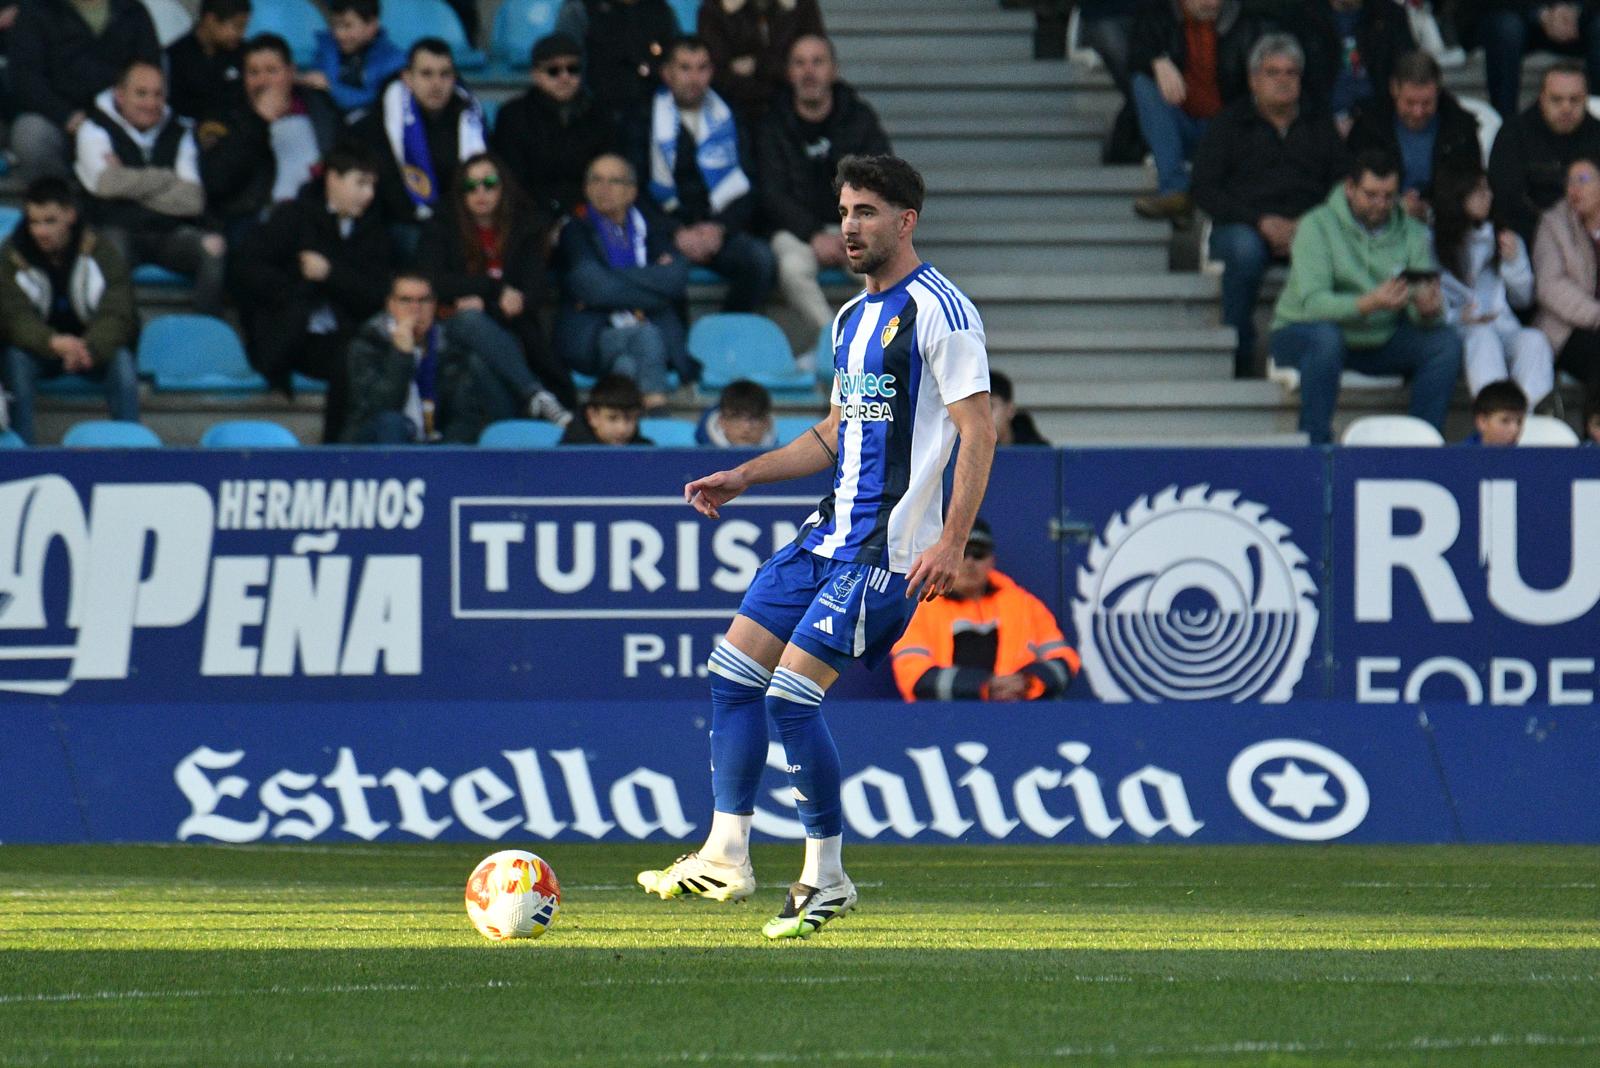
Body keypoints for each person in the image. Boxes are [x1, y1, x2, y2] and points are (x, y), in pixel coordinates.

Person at [635, 154, 996, 940]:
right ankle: (727, 854)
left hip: (885, 554)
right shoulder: (849, 318)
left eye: (866, 211)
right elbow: (836, 432)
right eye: (843, 212)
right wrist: (745, 474)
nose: (849, 227)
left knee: (790, 699)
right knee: (732, 675)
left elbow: (978, 429)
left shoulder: (942, 311)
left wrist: (951, 539)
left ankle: (826, 877)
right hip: (823, 537)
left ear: (906, 220)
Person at [1269, 149, 1463, 444]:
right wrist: (1369, 303)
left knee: (1444, 343)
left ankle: (1422, 445)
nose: (1380, 204)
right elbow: (1314, 304)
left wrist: (1427, 310)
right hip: (1300, 331)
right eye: (1371, 195)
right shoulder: (1316, 225)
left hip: (1378, 337)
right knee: (1326, 339)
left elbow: (1419, 299)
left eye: (1388, 196)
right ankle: (1316, 447)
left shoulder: (1413, 232)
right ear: (1350, 188)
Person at [1192, 33, 1349, 378]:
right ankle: (1239, 355)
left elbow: (1342, 185)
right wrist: (1260, 221)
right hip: (1244, 226)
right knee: (1245, 251)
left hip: (1309, 226)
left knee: (1335, 244)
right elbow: (1204, 188)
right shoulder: (1228, 123)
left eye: (1291, 73)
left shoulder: (1319, 122)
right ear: (1253, 80)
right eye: (1272, 72)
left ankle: (1312, 356)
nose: (1283, 80)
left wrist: (1306, 225)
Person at [229, 141, 392, 441]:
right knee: (351, 357)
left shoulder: (373, 230)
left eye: (372, 185)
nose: (368, 194)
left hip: (342, 335)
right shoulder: (292, 217)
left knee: (360, 355)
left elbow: (376, 293)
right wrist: (294, 290)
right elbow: (247, 269)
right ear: (333, 178)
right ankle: (335, 450)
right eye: (360, 183)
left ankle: (344, 445)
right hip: (289, 335)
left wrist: (331, 275)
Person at [416, 152, 576, 417]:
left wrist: (485, 305)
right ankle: (535, 394)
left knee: (480, 360)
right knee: (469, 319)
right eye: (471, 186)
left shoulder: (526, 226)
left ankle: (511, 426)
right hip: (449, 327)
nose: (480, 192)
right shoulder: (441, 225)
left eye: (489, 184)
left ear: (503, 187)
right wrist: (494, 289)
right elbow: (431, 281)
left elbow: (535, 291)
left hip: (510, 328)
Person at [756, 33, 890, 340]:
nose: (809, 72)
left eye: (817, 62)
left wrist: (851, 228)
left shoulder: (859, 118)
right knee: (791, 268)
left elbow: (883, 180)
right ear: (789, 73)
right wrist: (813, 234)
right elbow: (771, 194)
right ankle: (835, 341)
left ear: (833, 70)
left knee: (887, 269)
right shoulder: (772, 123)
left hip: (853, 225)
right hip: (797, 232)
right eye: (799, 63)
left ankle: (874, 343)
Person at [631, 34, 776, 312]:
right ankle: (678, 340)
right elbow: (632, 190)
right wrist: (675, 231)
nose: (694, 78)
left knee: (760, 260)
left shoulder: (730, 115)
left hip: (718, 227)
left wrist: (720, 228)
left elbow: (749, 184)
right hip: (665, 229)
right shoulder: (642, 118)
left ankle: (726, 333)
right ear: (667, 73)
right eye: (685, 68)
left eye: (702, 68)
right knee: (666, 272)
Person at [74, 60, 226, 315]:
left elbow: (192, 200)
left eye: (158, 94)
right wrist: (167, 178)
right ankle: (119, 333)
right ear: (120, 96)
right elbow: (105, 184)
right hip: (116, 228)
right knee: (111, 252)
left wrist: (127, 184)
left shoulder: (180, 131)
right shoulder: (93, 128)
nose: (151, 103)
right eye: (141, 94)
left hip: (169, 232)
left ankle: (203, 329)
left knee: (214, 247)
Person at [0, 178, 139, 445]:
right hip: (40, 351)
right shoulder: (11, 255)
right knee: (15, 360)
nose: (41, 231)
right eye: (34, 222)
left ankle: (131, 448)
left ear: (70, 215)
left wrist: (89, 348)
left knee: (122, 361)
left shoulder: (101, 251)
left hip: (92, 350)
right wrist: (53, 342)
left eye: (50, 221)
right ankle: (22, 452)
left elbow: (119, 312)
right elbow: (12, 318)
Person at [889, 519, 1079, 702]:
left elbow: (1064, 659)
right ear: (943, 558)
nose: (970, 562)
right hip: (943, 718)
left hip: (1019, 712)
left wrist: (1028, 682)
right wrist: (984, 687)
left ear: (992, 561)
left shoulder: (1025, 605)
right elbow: (912, 673)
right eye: (962, 553)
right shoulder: (920, 608)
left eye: (978, 554)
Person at [556, 153, 691, 410]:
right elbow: (595, 288)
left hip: (642, 335)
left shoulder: (650, 229)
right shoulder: (575, 230)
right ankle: (657, 412)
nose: (604, 188)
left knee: (626, 365)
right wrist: (655, 291)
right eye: (596, 180)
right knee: (646, 336)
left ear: (632, 192)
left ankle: (619, 427)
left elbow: (676, 278)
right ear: (586, 188)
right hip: (595, 334)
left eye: (614, 181)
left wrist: (611, 276)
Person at [1127, 0, 1266, 225]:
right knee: (1143, 84)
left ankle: (1181, 200)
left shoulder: (1244, 21)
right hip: (1178, 126)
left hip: (1224, 130)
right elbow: (1133, 57)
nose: (1212, 3)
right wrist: (1157, 61)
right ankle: (1176, 192)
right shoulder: (1159, 13)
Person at [1432, 161, 1553, 408]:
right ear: (1458, 195)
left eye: (1488, 190)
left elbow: (1523, 298)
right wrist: (1457, 316)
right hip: (1460, 330)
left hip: (1502, 325)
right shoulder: (1432, 242)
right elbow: (1430, 299)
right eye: (1479, 191)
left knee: (1534, 340)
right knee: (1482, 337)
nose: (1488, 196)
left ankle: (1523, 417)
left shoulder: (1501, 236)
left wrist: (1513, 262)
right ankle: (1494, 415)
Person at [200, 34, 344, 239]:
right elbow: (218, 182)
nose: (262, 81)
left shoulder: (319, 106)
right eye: (253, 72)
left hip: (318, 213)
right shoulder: (225, 116)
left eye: (271, 71)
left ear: (291, 72)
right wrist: (258, 121)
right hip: (256, 220)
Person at [352, 38, 487, 252]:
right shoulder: (378, 124)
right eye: (426, 74)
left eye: (445, 74)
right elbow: (385, 191)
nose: (436, 84)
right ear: (407, 78)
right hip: (400, 224)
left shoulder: (471, 120)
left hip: (456, 221)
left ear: (454, 78)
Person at [8, 0, 161, 182]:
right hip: (60, 119)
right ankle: (56, 196)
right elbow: (25, 77)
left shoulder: (132, 10)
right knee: (31, 135)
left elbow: (149, 69)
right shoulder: (37, 9)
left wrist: (120, 115)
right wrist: (66, 116)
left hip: (121, 118)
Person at [342, 271, 491, 443]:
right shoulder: (368, 344)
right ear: (390, 305)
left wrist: (444, 454)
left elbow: (463, 416)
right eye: (406, 300)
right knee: (392, 422)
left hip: (433, 441)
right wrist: (401, 356)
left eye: (423, 300)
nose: (415, 308)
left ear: (434, 305)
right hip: (374, 443)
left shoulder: (449, 347)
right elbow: (379, 408)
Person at [490, 32, 619, 219]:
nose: (564, 77)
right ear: (535, 75)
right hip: (529, 217)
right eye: (553, 70)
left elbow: (608, 172)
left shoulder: (600, 115)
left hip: (589, 215)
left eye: (572, 69)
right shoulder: (513, 116)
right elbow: (511, 179)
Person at [1344, 50, 1480, 219]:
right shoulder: (1368, 127)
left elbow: (1470, 184)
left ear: (1438, 92)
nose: (1418, 112)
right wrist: (1396, 204)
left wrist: (1431, 208)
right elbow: (1352, 181)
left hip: (1445, 223)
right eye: (1410, 103)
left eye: (1426, 103)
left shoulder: (1460, 128)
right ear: (1394, 89)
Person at [1488, 62, 1600, 247]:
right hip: (1531, 240)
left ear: (1586, 99)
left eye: (1575, 100)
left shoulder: (1597, 134)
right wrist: (1554, 233)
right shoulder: (1514, 135)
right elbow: (1507, 200)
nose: (1566, 107)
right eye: (1556, 99)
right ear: (1542, 98)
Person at [1282, 0, 1416, 134]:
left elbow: (1409, 71)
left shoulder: (1389, 15)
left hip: (1381, 124)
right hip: (1318, 125)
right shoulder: (1304, 18)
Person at [555, 0, 681, 127]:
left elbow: (679, 63)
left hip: (656, 118)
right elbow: (565, 67)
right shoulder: (579, 9)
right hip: (596, 120)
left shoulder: (661, 10)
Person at [1533, 156, 1600, 394]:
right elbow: (1549, 286)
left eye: (1583, 180)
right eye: (1569, 182)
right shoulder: (1553, 223)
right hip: (1567, 331)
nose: (1574, 189)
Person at [697, 0, 826, 123]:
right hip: (734, 111)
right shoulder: (715, 8)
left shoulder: (801, 6)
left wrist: (758, 64)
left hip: (793, 110)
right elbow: (716, 72)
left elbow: (819, 61)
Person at [1475, 1, 1600, 119]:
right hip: (1520, 13)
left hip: (1584, 17)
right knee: (1505, 28)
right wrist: (1540, 14)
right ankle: (1503, 122)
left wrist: (1577, 10)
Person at [303, 0, 405, 117]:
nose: (339, 34)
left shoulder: (392, 60)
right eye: (335, 25)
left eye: (347, 26)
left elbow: (377, 101)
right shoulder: (327, 49)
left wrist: (331, 88)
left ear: (371, 25)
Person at [165, 0, 251, 122]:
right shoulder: (175, 57)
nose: (241, 34)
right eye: (236, 26)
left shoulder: (245, 54)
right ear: (210, 20)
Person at [559, 372, 656, 444]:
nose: (622, 429)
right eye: (612, 418)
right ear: (592, 416)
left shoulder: (648, 454)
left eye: (630, 418)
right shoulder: (565, 457)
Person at [695, 378, 776, 446]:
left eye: (755, 418)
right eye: (736, 418)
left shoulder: (779, 456)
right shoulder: (699, 456)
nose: (746, 428)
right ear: (721, 421)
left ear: (767, 423)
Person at [1460, 378, 1528, 444]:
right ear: (1482, 422)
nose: (1515, 429)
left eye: (1519, 422)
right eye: (1505, 421)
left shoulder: (1525, 451)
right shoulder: (1462, 451)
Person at [990, 370, 1049, 445]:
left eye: (990, 407)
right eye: (977, 411)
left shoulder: (1037, 449)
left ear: (1010, 410)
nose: (982, 416)